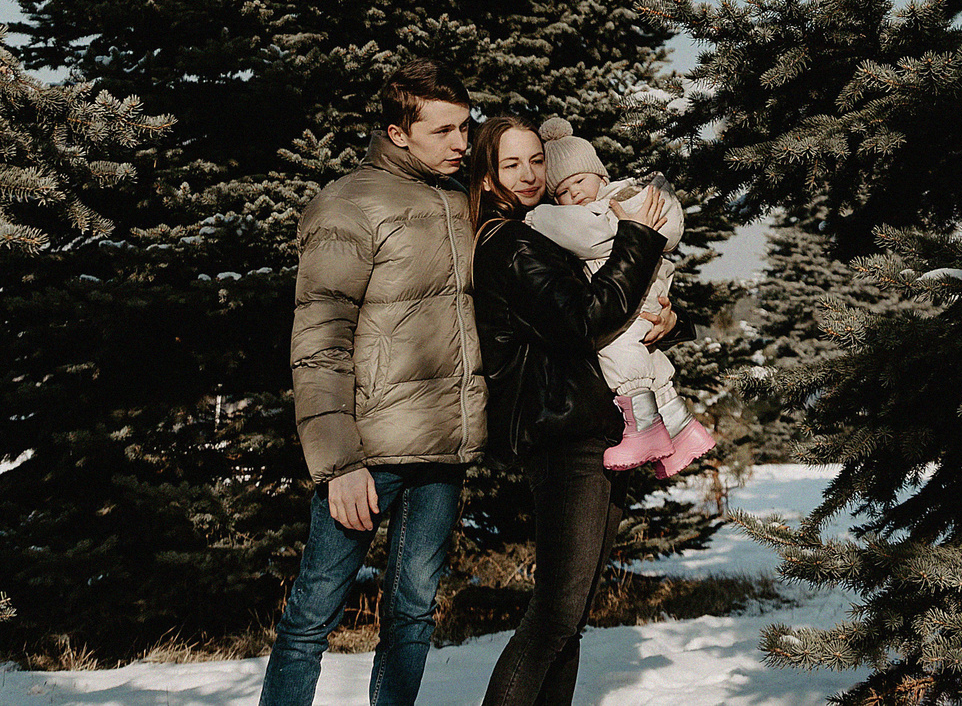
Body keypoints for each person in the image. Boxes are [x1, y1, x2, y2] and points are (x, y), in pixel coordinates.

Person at [260, 61, 485, 706]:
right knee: (312, 616)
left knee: (413, 616)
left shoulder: (461, 202)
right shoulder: (348, 203)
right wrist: (339, 463)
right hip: (368, 455)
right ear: (396, 131)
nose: (460, 145)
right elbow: (319, 340)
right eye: (442, 131)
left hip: (442, 448)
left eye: (464, 130)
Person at [470, 113, 673, 706]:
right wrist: (637, 234)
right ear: (486, 177)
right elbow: (585, 320)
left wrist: (666, 322)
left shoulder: (539, 233)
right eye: (512, 164)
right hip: (565, 438)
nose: (531, 174)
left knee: (571, 618)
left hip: (590, 430)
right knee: (554, 617)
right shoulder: (507, 243)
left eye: (537, 160)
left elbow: (609, 320)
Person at [526, 116, 717, 476]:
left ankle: (644, 430)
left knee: (616, 350)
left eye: (579, 181)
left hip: (633, 294)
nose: (574, 195)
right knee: (649, 361)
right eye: (562, 193)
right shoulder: (629, 201)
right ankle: (680, 429)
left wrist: (537, 218)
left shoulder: (611, 208)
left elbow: (589, 235)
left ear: (600, 176)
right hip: (646, 293)